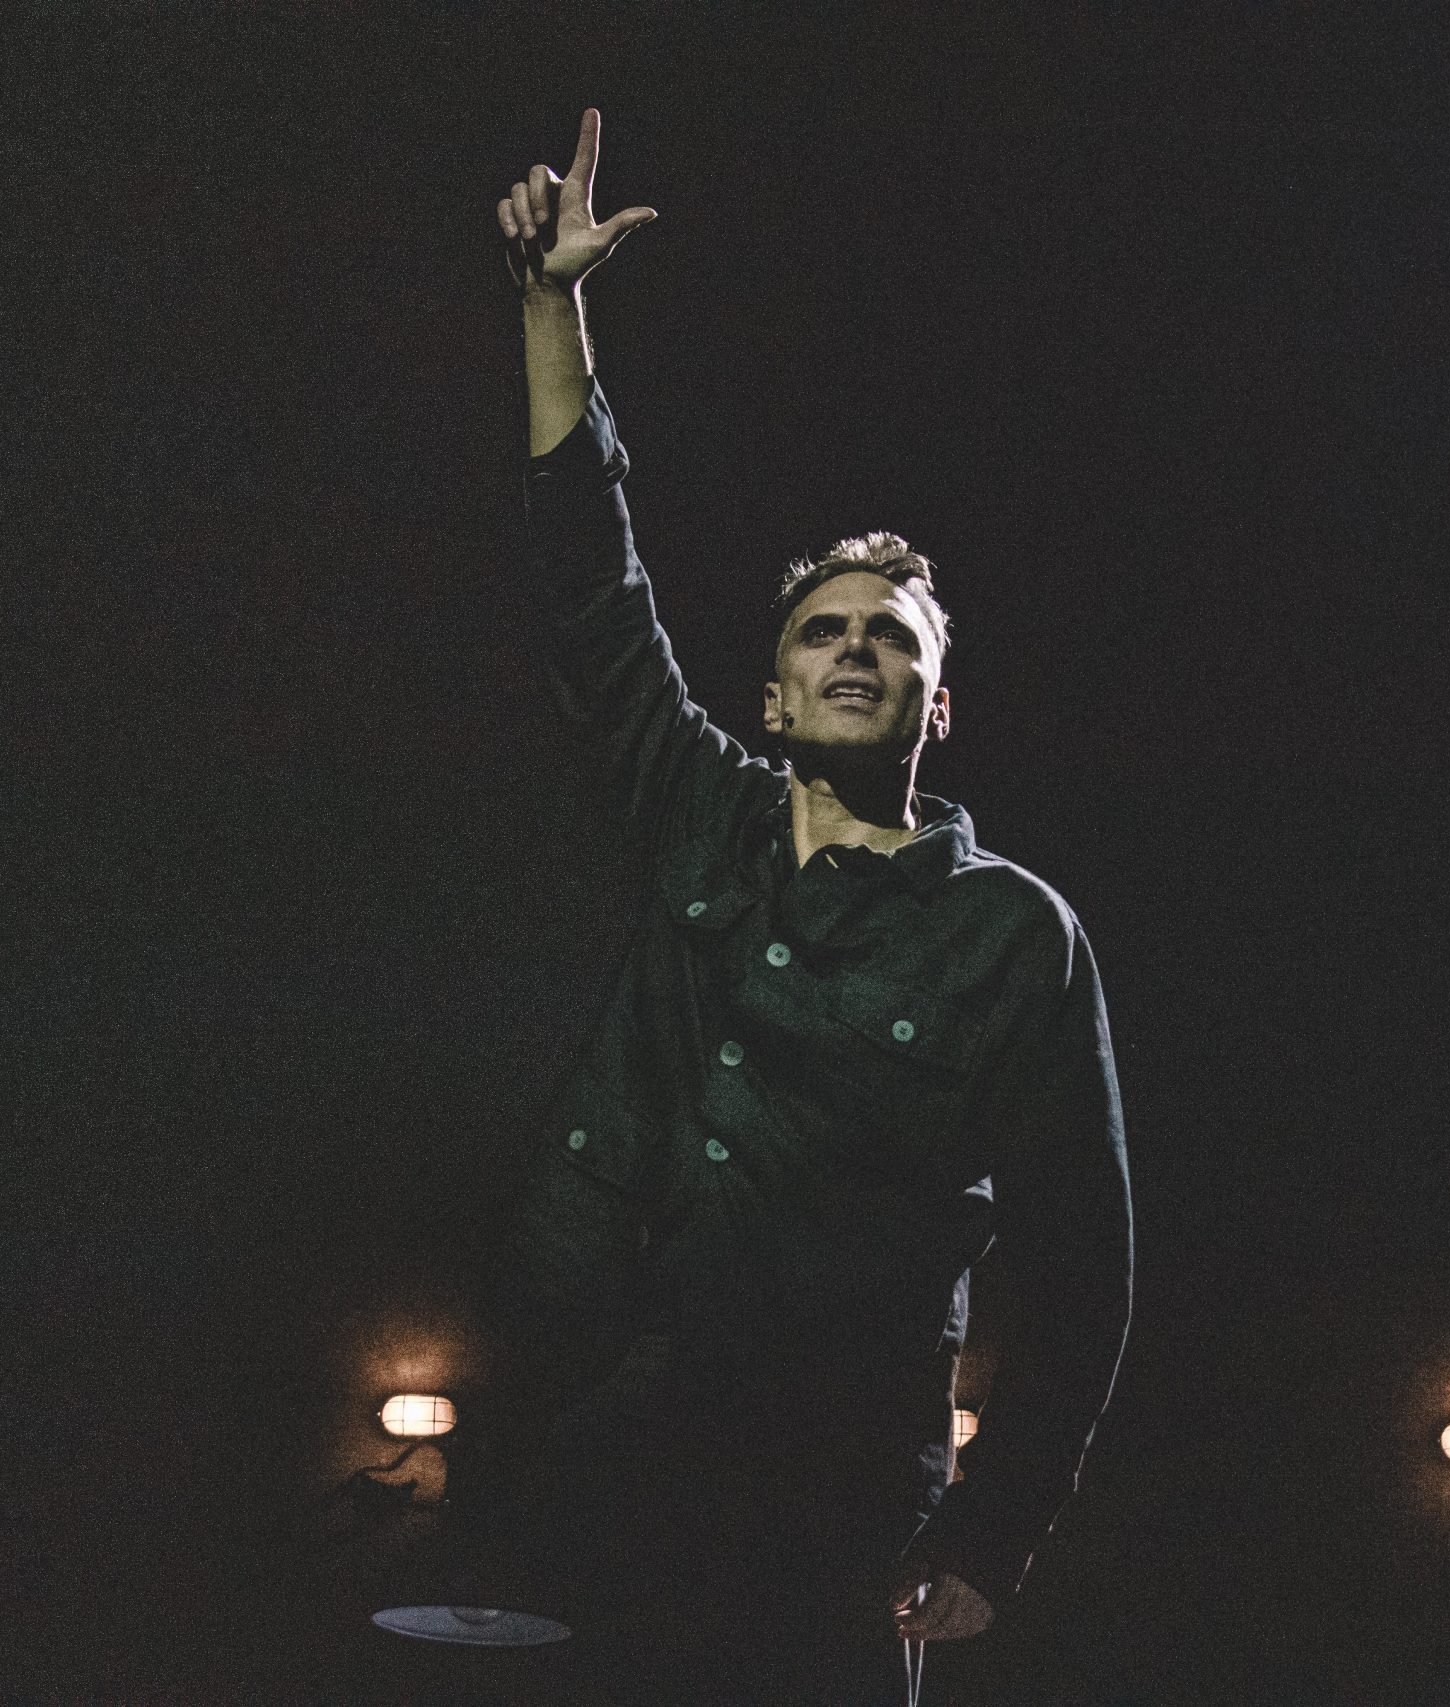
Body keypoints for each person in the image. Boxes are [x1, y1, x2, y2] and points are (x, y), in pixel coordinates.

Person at [471, 108, 1132, 1705]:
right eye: (825, 631)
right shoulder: (701, 812)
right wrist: (551, 308)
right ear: (772, 696)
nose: (854, 648)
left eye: (891, 637)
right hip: (604, 1443)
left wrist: (992, 1530)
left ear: (936, 706)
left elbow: (1085, 1266)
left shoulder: (1011, 936)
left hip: (835, 1495)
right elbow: (592, 592)